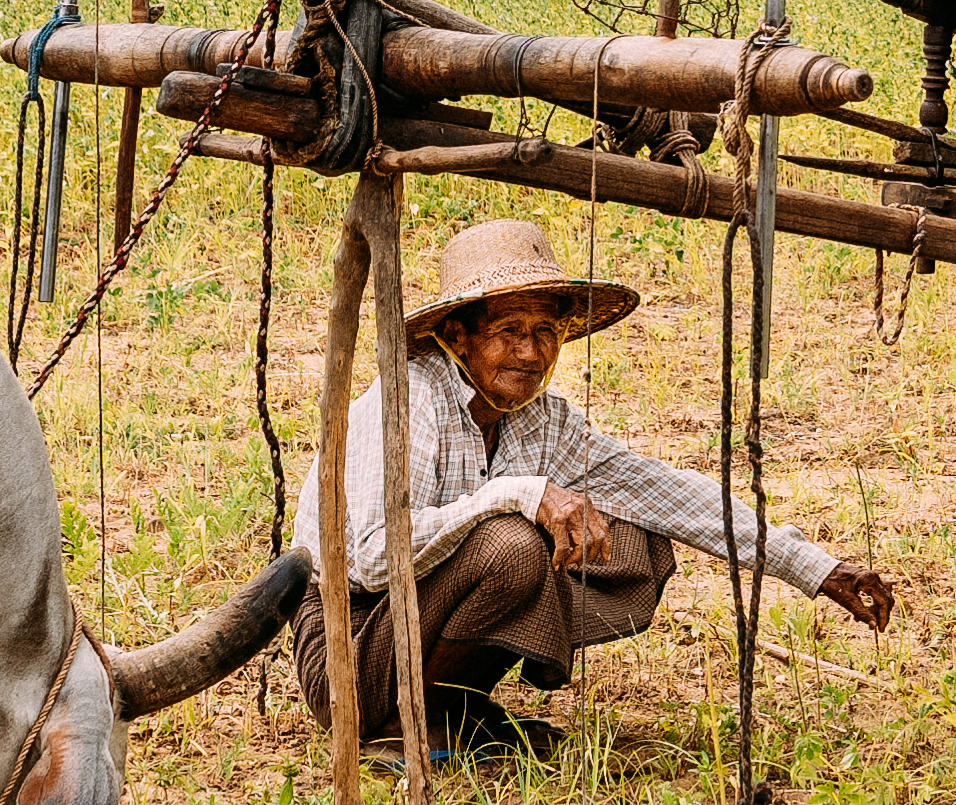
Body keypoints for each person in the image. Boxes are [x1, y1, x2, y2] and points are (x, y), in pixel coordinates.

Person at [300, 219, 901, 763]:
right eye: (508, 331)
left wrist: (818, 570)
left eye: (544, 331)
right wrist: (516, 493)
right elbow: (375, 560)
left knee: (633, 532)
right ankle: (393, 726)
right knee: (512, 542)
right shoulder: (412, 397)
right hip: (348, 644)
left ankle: (447, 713)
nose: (531, 353)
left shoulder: (545, 420)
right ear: (458, 337)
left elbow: (668, 493)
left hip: (412, 628)